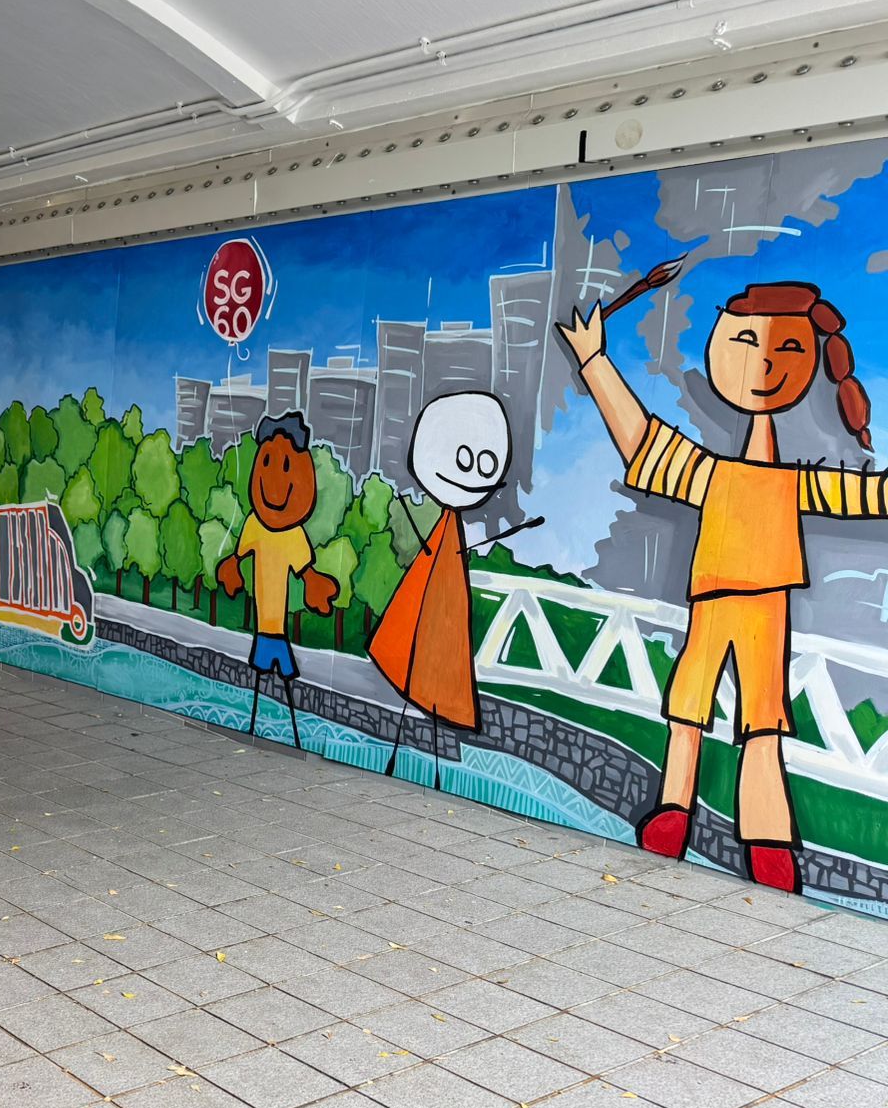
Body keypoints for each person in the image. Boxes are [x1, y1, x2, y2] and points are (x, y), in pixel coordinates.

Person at [560, 280, 883, 894]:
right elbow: (640, 438)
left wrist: (593, 360)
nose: (762, 362)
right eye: (743, 341)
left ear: (813, 360)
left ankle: (763, 839)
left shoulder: (789, 483)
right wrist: (594, 360)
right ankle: (678, 813)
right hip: (720, 599)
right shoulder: (718, 475)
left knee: (758, 723)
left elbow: (868, 497)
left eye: (787, 349)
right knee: (693, 708)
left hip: (765, 607)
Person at [369, 392, 532, 787]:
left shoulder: (449, 538)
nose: (473, 472)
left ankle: (425, 758)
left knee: (432, 661)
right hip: (436, 597)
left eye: (484, 463)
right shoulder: (441, 536)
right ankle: (423, 758)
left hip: (443, 597)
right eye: (464, 459)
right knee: (425, 659)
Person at [216, 412, 337, 750]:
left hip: (277, 631)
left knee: (283, 679)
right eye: (266, 463)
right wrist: (230, 569)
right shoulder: (255, 525)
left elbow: (307, 573)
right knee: (262, 681)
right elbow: (237, 558)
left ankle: (294, 734)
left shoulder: (295, 537)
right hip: (264, 629)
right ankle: (262, 726)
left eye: (285, 469)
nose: (274, 480)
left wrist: (316, 586)